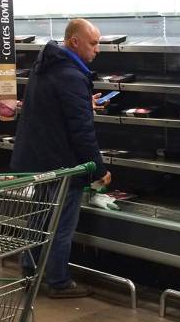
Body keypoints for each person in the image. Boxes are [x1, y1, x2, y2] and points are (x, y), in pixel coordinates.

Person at [11, 18, 111, 298]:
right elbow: (81, 131)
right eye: (93, 43)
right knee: (61, 225)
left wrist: (83, 101)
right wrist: (97, 169)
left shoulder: (47, 67)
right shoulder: (70, 76)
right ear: (74, 42)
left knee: (40, 219)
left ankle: (30, 273)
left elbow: (52, 110)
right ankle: (58, 281)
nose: (97, 50)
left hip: (41, 159)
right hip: (62, 163)